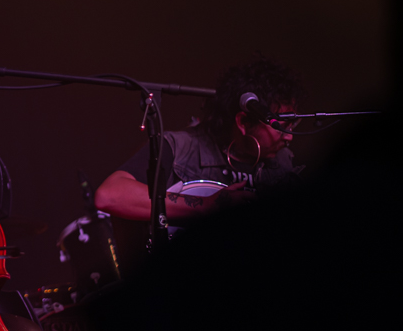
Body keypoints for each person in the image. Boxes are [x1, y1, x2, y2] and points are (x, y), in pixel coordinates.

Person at [94, 56, 305, 223]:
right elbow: (109, 195)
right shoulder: (181, 148)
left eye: (292, 125)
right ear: (244, 122)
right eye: (280, 125)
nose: (289, 136)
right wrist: (205, 205)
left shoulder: (286, 163)